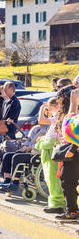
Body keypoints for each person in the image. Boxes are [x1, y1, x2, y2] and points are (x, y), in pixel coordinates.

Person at [34, 97, 65, 214]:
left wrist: (43, 108)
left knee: (53, 178)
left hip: (53, 149)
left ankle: (57, 203)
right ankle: (57, 202)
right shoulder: (58, 115)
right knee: (51, 178)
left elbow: (41, 120)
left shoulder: (60, 115)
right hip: (50, 147)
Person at [55, 86, 79, 221]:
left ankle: (72, 211)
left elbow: (73, 129)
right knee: (66, 181)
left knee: (68, 181)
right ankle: (72, 209)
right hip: (72, 151)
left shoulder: (74, 109)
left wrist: (71, 149)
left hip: (74, 153)